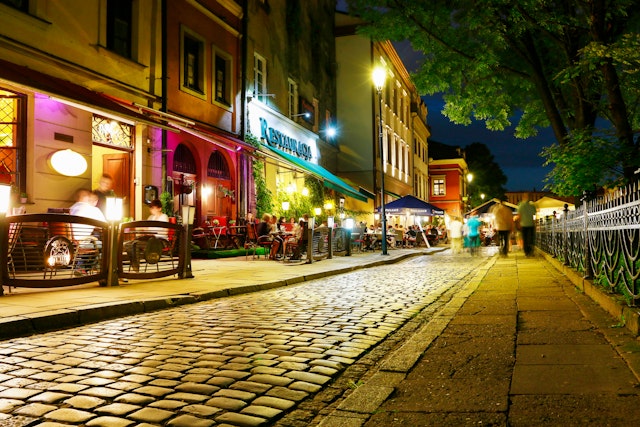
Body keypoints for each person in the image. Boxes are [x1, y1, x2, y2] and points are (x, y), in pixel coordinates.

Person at [69, 189, 106, 275]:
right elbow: (105, 226)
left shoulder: (70, 209)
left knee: (95, 241)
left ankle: (91, 266)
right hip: (82, 243)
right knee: (103, 244)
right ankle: (82, 267)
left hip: (68, 243)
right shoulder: (93, 210)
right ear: (87, 198)